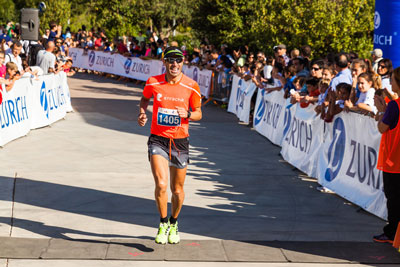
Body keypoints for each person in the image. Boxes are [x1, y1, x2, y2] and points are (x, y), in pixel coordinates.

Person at [137, 46, 202, 245]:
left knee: (177, 190)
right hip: (158, 139)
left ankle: (174, 222)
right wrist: (142, 113)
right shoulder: (153, 82)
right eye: (170, 60)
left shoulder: (191, 86)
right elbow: (144, 99)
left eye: (178, 60)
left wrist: (189, 115)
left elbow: (199, 112)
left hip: (180, 142)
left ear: (183, 62)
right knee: (161, 184)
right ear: (164, 62)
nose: (174, 64)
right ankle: (163, 222)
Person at [373, 66, 400, 244]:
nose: (389, 82)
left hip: (394, 161)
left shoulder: (394, 106)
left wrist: (382, 110)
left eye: (392, 79)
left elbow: (382, 127)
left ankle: (392, 234)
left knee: (394, 199)